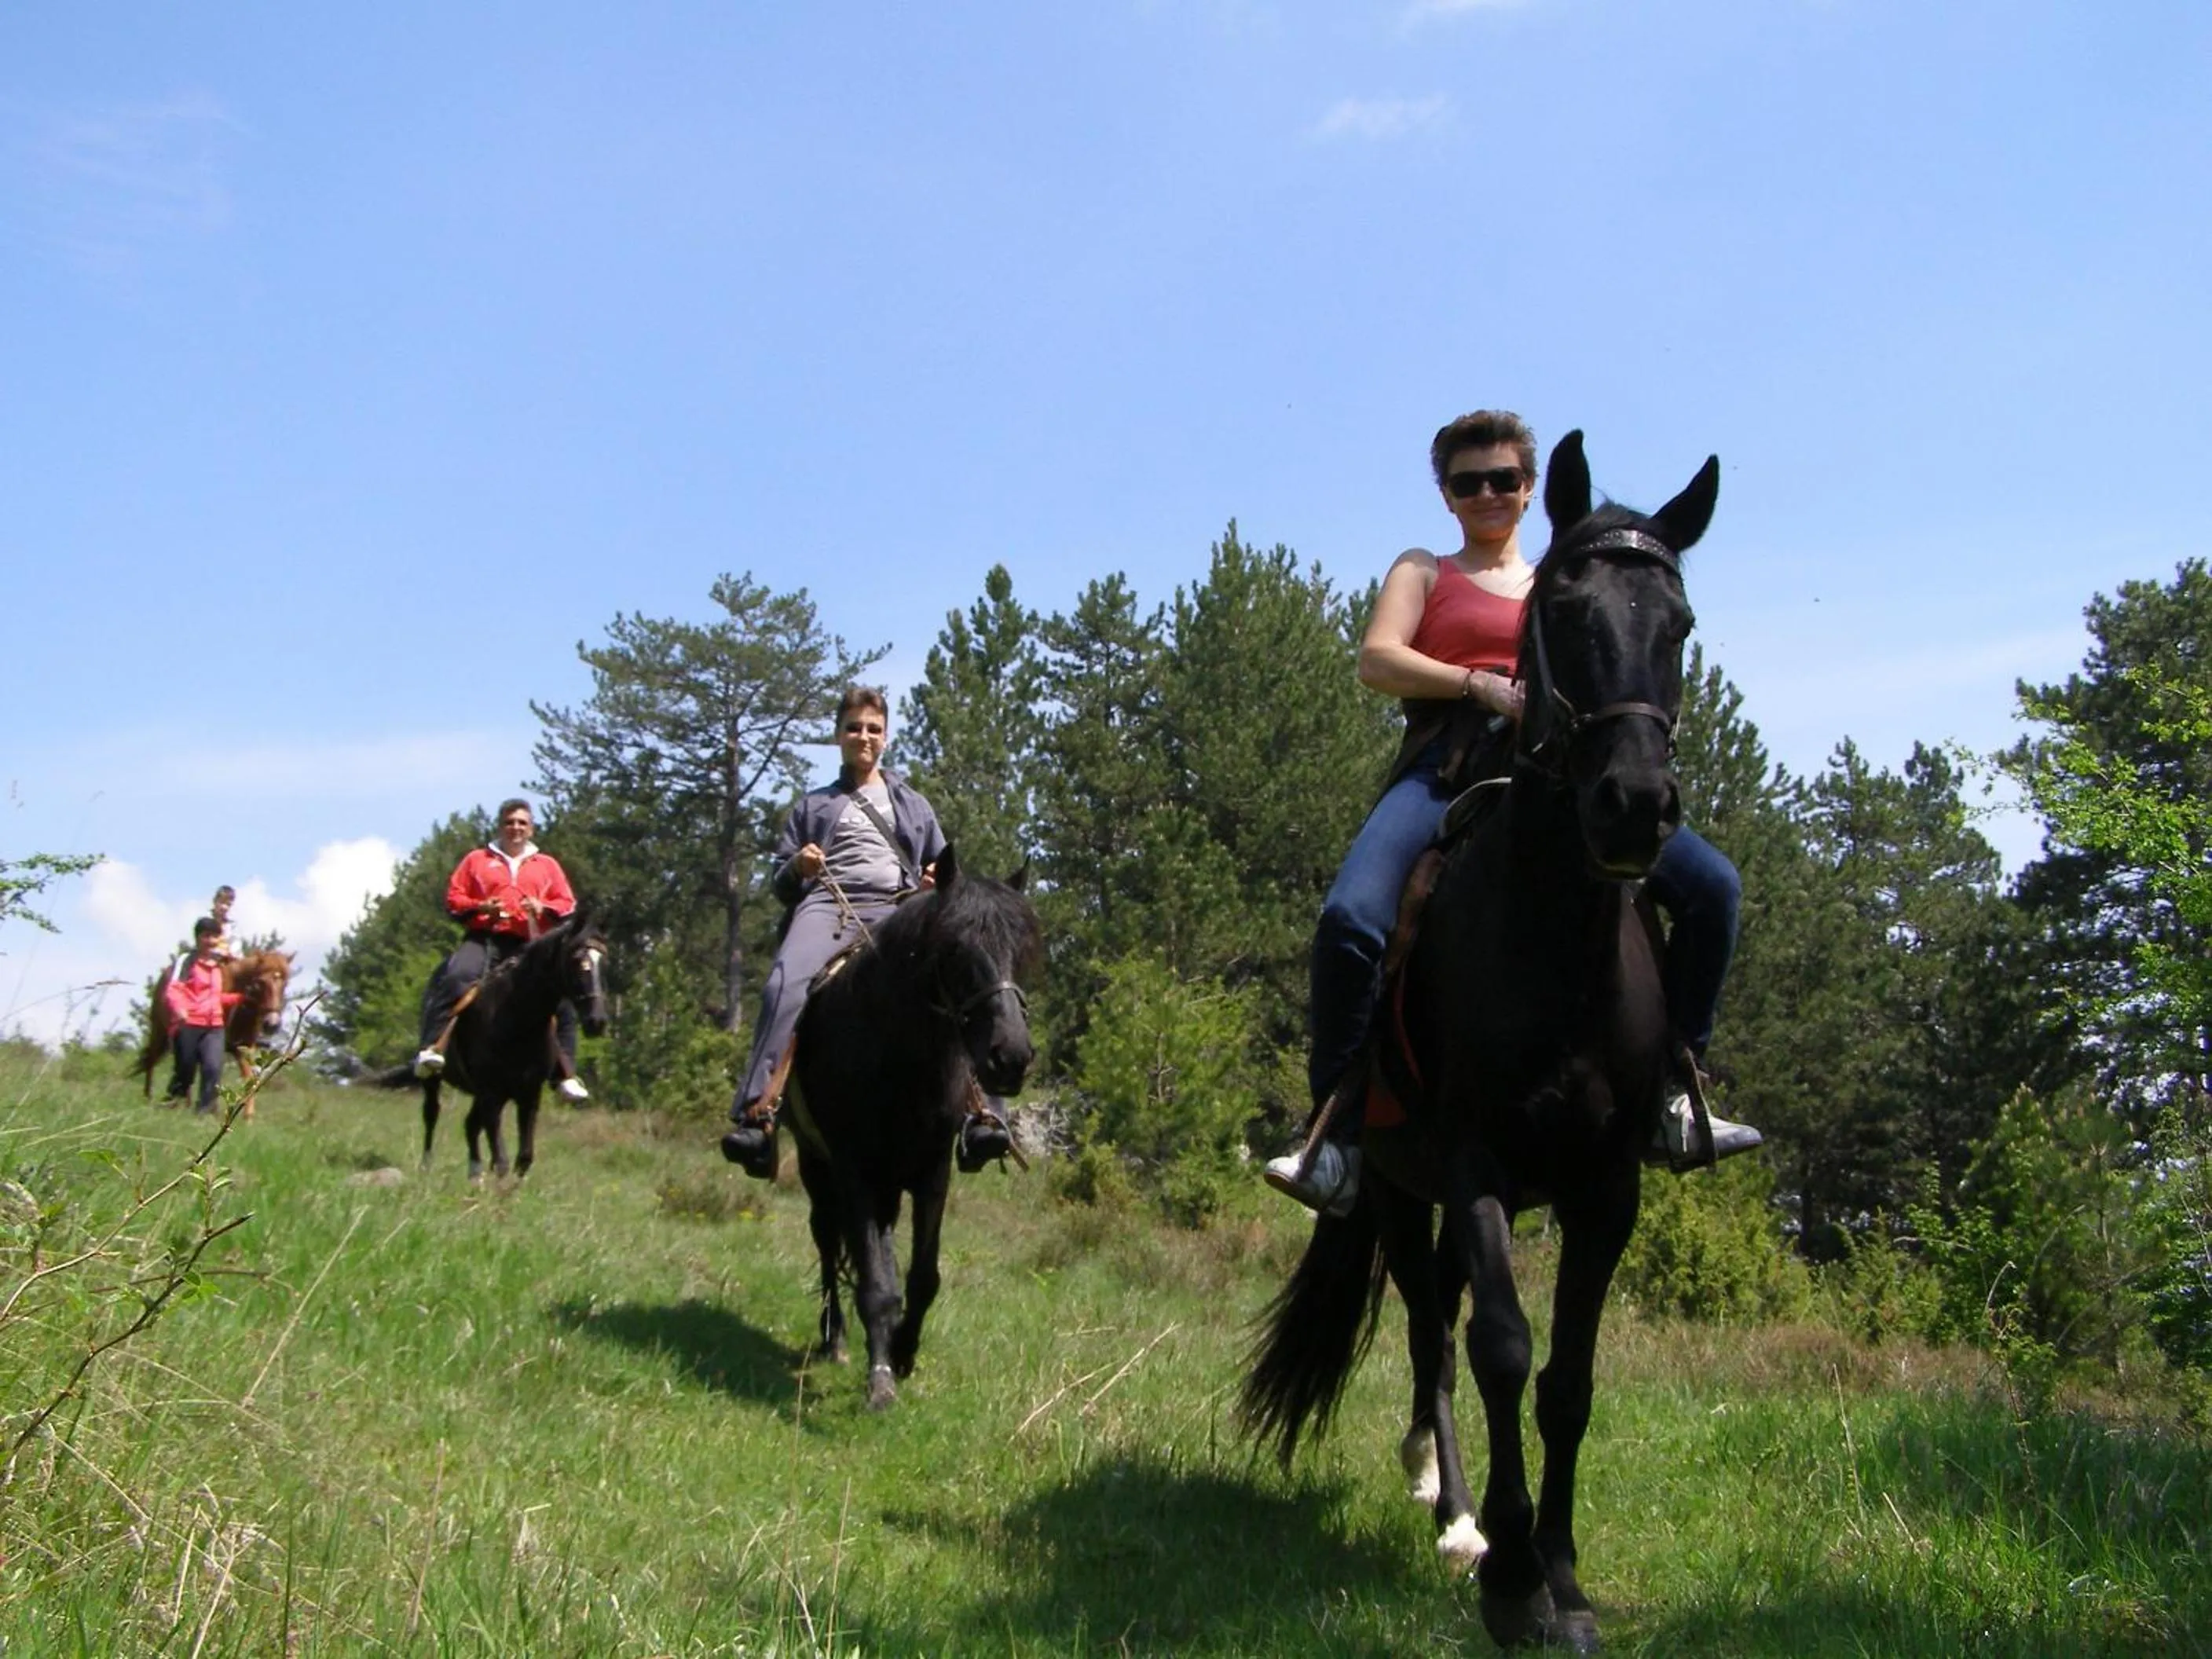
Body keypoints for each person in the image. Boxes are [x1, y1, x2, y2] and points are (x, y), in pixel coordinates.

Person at [1265, 409, 1761, 1214]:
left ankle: (1677, 1088)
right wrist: (1477, 684)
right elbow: (1377, 660)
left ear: (1530, 489)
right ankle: (1337, 1134)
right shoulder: (1424, 570)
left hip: (1559, 774)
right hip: (1445, 769)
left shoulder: (1570, 574)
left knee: (1714, 890)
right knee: (1350, 919)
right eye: (1468, 482)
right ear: (1446, 495)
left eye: (1503, 478)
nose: (1487, 493)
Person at [720, 686, 1012, 1179]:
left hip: (901, 908)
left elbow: (947, 873)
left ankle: (983, 1118)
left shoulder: (912, 804)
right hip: (828, 906)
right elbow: (780, 884)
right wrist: (798, 865)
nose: (864, 736)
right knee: (783, 984)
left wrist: (934, 882)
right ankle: (758, 1115)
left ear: (886, 738)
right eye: (854, 727)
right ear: (839, 736)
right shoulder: (813, 806)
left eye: (874, 729)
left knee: (964, 977)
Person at [413, 798, 590, 1102]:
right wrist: (482, 907)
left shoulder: (547, 865)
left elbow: (567, 905)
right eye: (510, 822)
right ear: (500, 826)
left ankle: (565, 1075)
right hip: (485, 939)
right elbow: (454, 900)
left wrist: (542, 907)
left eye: (522, 823)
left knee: (560, 1001)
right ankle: (431, 1049)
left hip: (530, 945)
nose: (515, 828)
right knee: (456, 977)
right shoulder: (477, 860)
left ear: (531, 828)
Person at [163, 917, 241, 1113]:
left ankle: (204, 1112)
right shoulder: (187, 960)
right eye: (206, 936)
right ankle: (174, 1101)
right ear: (198, 938)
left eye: (215, 937)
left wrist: (241, 999)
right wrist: (179, 1008)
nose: (211, 941)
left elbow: (215, 997)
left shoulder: (219, 965)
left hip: (214, 1026)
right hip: (188, 1022)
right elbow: (174, 988)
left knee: (213, 1067)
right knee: (186, 1069)